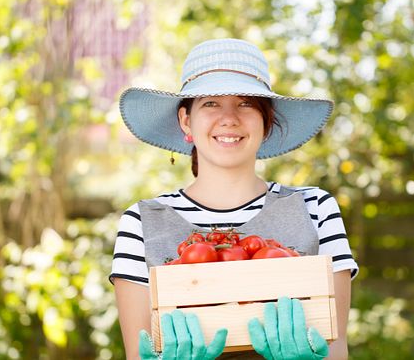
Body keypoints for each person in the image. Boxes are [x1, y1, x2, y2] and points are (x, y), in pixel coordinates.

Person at [110, 38, 359, 359]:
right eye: (211, 103)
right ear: (186, 120)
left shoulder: (315, 208)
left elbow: (336, 352)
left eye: (246, 103)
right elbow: (137, 354)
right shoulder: (141, 222)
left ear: (266, 122)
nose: (229, 118)